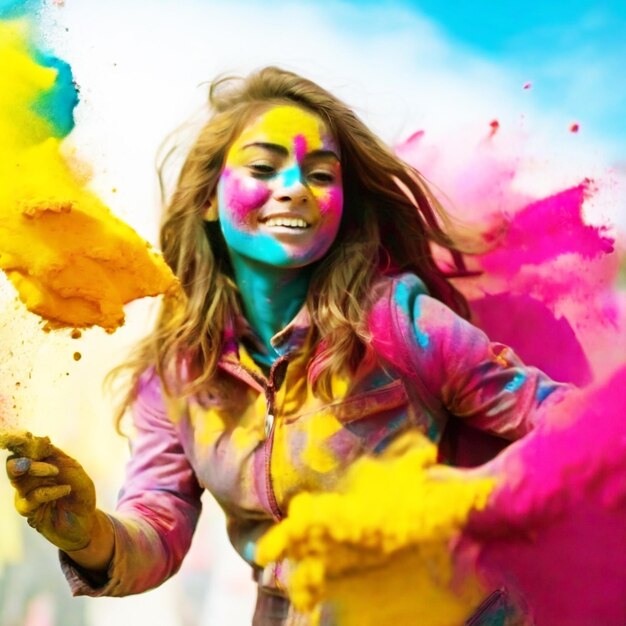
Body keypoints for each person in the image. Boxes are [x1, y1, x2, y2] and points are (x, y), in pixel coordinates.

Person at [5, 66, 569, 625]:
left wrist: (481, 498)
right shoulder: (178, 373)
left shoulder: (400, 322)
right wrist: (89, 535)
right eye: (263, 167)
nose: (295, 187)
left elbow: (568, 424)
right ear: (207, 198)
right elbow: (157, 526)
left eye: (321, 175)